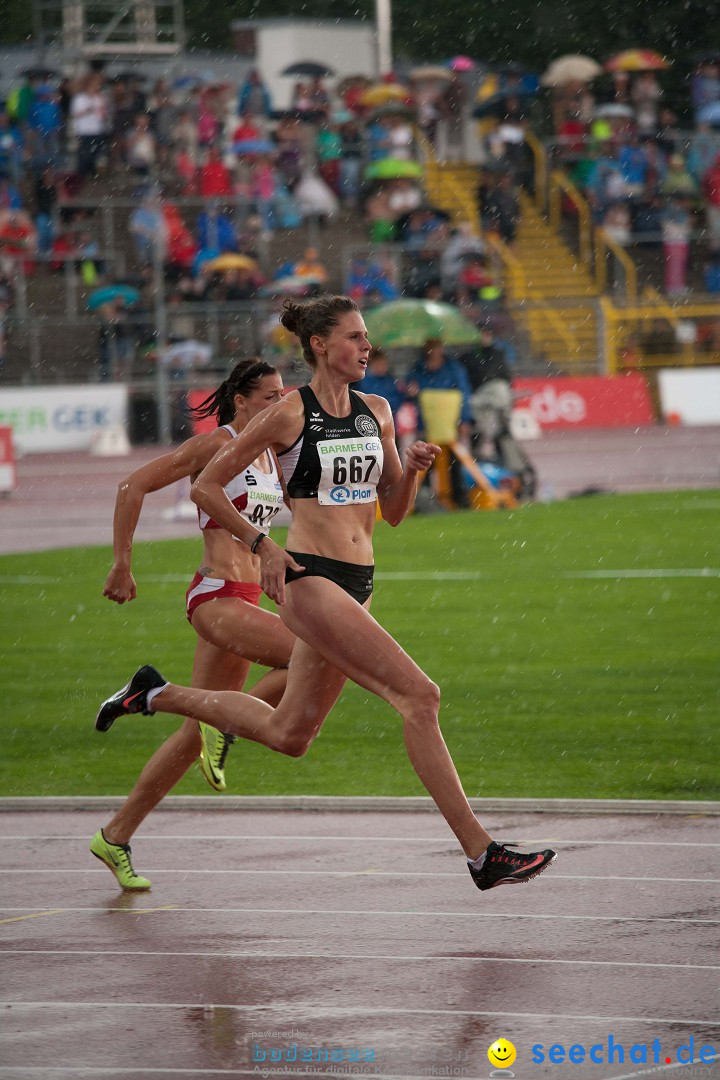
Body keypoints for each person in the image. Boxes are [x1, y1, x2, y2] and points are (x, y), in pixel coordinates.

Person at [95, 294, 557, 894]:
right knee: (419, 696)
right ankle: (480, 852)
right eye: (356, 337)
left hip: (359, 584)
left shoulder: (379, 411)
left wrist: (413, 468)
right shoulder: (287, 414)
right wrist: (262, 545)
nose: (368, 347)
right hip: (310, 579)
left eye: (367, 339)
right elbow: (206, 488)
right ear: (320, 345)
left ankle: (156, 694)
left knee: (290, 734)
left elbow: (392, 512)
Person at [91, 359, 296, 890]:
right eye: (270, 396)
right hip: (217, 596)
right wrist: (121, 563)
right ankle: (172, 700)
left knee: (192, 737)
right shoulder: (215, 445)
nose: (281, 403)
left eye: (284, 394)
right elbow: (131, 486)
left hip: (248, 597)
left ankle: (114, 836)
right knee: (318, 656)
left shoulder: (272, 452)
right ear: (241, 401)